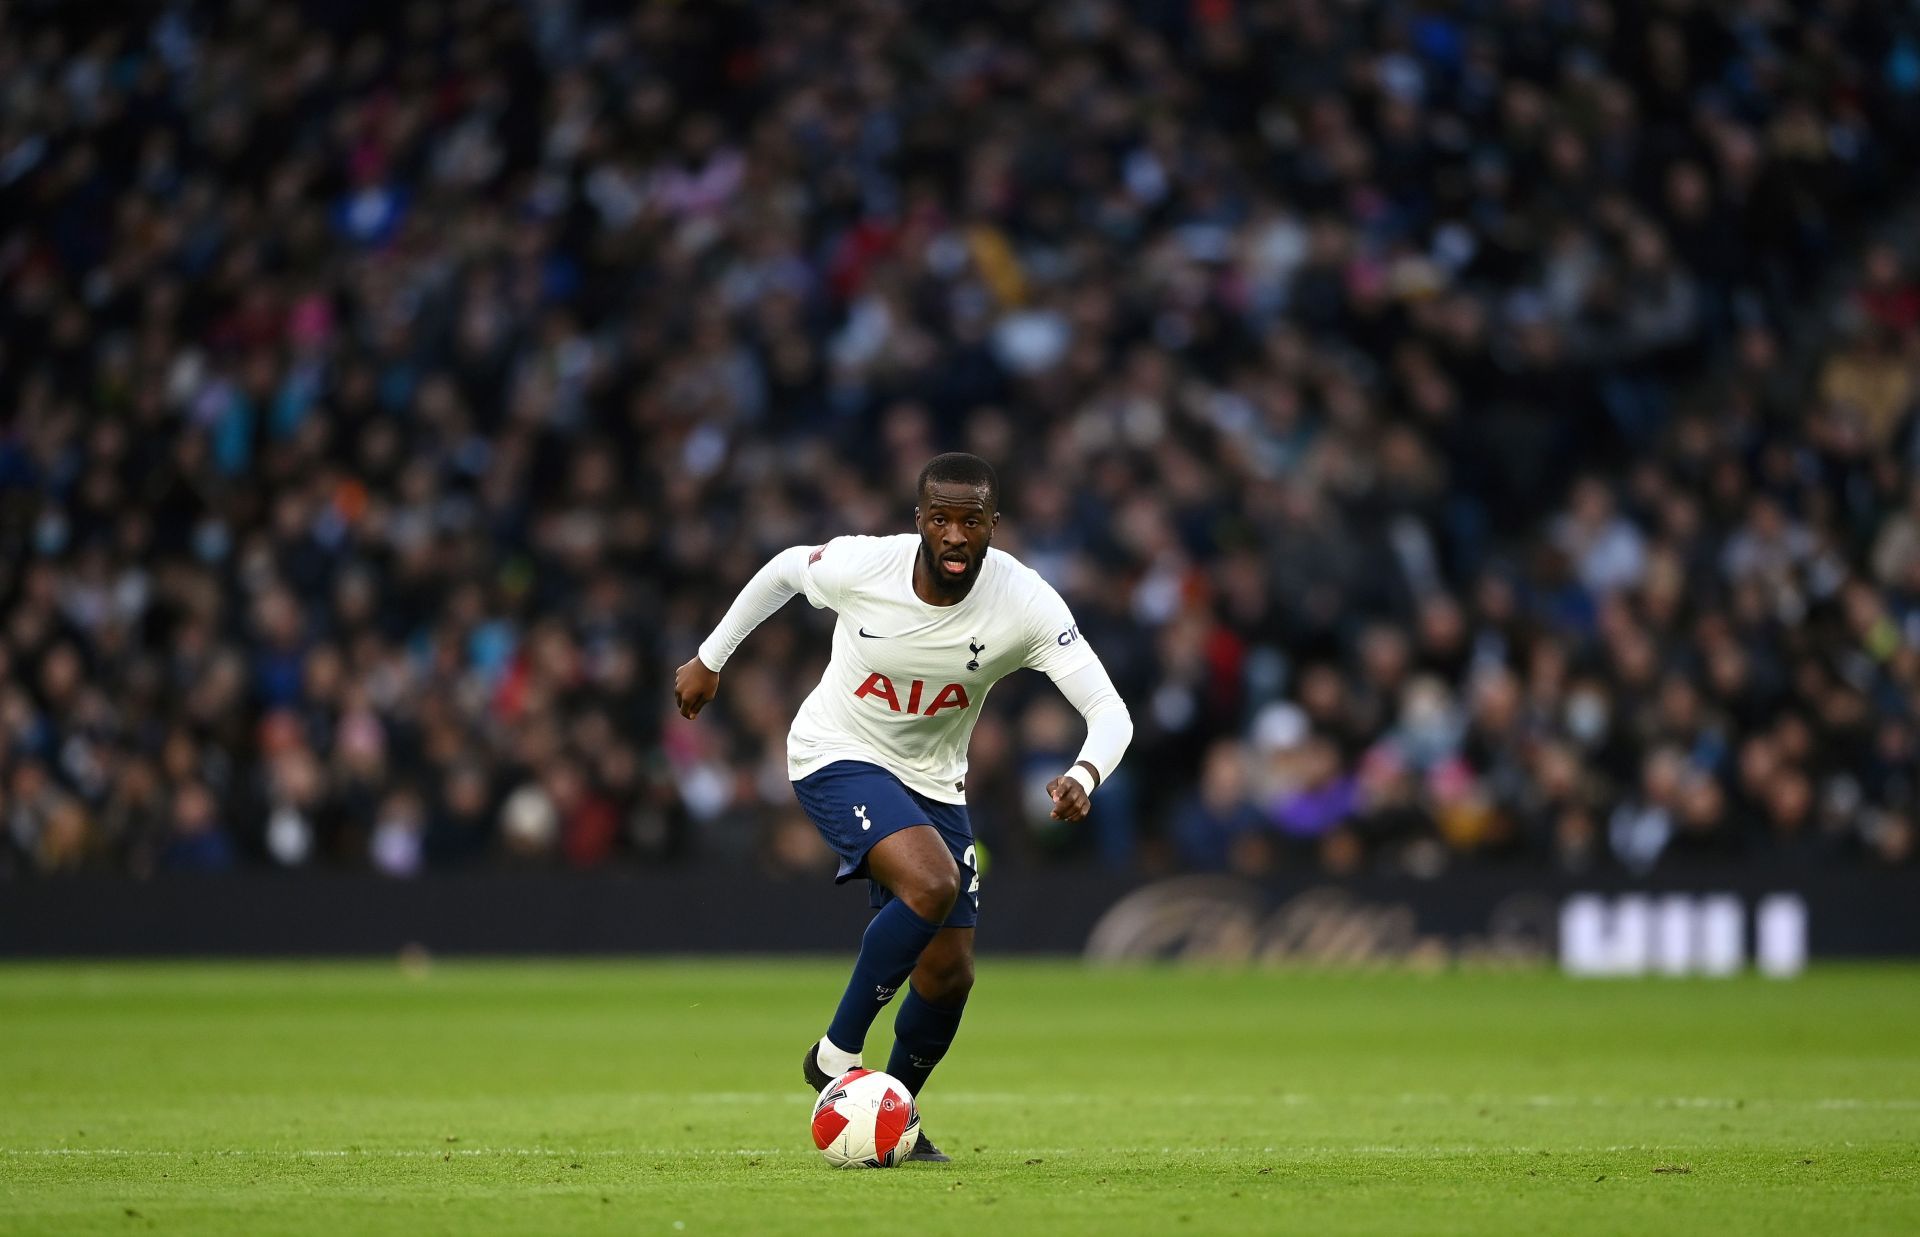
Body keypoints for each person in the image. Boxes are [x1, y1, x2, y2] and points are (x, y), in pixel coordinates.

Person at [674, 453, 1133, 1162]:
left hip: (935, 782)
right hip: (835, 751)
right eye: (941, 517)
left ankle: (895, 1112)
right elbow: (786, 569)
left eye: (971, 520)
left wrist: (1086, 770)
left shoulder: (1026, 601)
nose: (955, 534)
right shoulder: (867, 567)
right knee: (932, 880)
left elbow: (1110, 711)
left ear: (993, 526)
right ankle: (835, 1054)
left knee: (950, 972)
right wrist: (711, 657)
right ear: (919, 519)